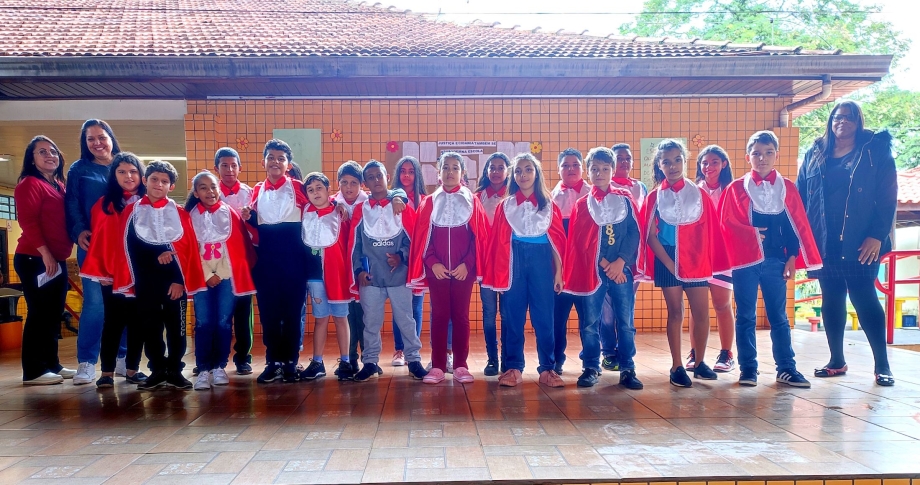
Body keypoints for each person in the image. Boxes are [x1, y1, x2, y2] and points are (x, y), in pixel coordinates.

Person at [797, 100, 898, 387]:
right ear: (831, 121)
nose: (842, 122)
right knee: (831, 299)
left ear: (859, 122)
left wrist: (877, 235)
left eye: (849, 118)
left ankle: (882, 365)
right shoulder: (815, 153)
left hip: (862, 241)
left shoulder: (874, 152)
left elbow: (888, 197)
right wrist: (802, 241)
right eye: (838, 117)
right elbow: (801, 198)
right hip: (825, 242)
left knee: (864, 298)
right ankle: (836, 360)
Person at [722, 131, 822, 388]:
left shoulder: (787, 188)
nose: (762, 158)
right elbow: (727, 224)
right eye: (756, 153)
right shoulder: (736, 188)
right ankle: (748, 369)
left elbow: (795, 225)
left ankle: (786, 368)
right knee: (745, 316)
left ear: (776, 155)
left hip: (776, 261)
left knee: (779, 316)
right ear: (748, 157)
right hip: (745, 262)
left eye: (768, 153)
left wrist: (792, 257)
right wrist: (750, 233)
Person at [94, 159, 206, 390]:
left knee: (177, 329)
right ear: (145, 181)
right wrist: (153, 258)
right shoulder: (131, 212)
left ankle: (175, 369)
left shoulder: (181, 214)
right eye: (154, 179)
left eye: (165, 181)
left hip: (174, 283)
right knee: (151, 328)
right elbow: (126, 247)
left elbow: (188, 250)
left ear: (171, 187)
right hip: (145, 283)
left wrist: (178, 279)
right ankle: (157, 370)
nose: (158, 184)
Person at [639, 139, 726, 387]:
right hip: (667, 258)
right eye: (666, 161)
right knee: (675, 312)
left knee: (702, 312)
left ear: (685, 162)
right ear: (659, 165)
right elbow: (650, 235)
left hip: (695, 258)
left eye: (678, 159)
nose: (673, 165)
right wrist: (668, 263)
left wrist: (698, 258)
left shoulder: (698, 193)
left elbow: (709, 232)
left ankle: (699, 363)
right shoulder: (655, 196)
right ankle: (677, 365)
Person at [484, 153, 566, 388]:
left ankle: (548, 368)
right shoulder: (505, 206)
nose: (523, 175)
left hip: (542, 264)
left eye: (528, 169)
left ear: (536, 173)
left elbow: (557, 241)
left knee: (544, 318)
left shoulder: (549, 204)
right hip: (514, 264)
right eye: (518, 171)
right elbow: (498, 245)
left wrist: (558, 272)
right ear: (514, 176)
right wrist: (500, 276)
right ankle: (513, 367)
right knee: (512, 317)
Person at [563, 147, 643, 389]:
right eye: (595, 169)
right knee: (590, 321)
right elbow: (579, 240)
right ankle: (590, 366)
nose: (600, 173)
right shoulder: (581, 205)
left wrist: (620, 262)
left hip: (622, 271)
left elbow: (633, 233)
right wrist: (605, 264)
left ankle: (628, 368)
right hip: (594, 271)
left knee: (625, 321)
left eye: (605, 169)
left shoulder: (625, 199)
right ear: (588, 173)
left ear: (612, 170)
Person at [409, 152, 489, 384]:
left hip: (464, 270)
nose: (450, 172)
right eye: (446, 168)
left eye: (455, 168)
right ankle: (437, 366)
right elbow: (424, 238)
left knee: (461, 316)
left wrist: (468, 264)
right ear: (439, 172)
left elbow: (479, 237)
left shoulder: (472, 200)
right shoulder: (429, 202)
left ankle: (462, 365)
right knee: (440, 315)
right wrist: (433, 263)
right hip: (438, 271)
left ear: (462, 173)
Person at [348, 161, 428, 382]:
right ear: (366, 182)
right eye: (370, 177)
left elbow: (411, 239)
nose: (375, 181)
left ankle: (413, 360)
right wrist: (358, 271)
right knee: (371, 322)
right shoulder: (360, 210)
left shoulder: (400, 205)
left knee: (406, 320)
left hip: (398, 277)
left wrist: (400, 256)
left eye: (379, 176)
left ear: (386, 177)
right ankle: (370, 362)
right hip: (371, 278)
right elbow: (355, 245)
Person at [241, 139, 310, 384]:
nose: (276, 162)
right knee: (269, 313)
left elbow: (319, 204)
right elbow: (256, 225)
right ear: (264, 162)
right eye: (271, 157)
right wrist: (248, 218)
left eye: (281, 158)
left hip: (294, 260)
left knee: (292, 312)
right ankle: (273, 362)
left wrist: (336, 208)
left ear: (288, 164)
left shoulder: (300, 187)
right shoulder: (257, 190)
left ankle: (290, 362)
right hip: (267, 261)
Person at [66, 119, 127, 385]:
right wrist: (79, 231)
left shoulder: (124, 165)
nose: (97, 143)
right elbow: (72, 203)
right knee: (95, 305)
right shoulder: (79, 169)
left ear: (111, 137)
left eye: (101, 137)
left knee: (125, 303)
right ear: (85, 143)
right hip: (93, 247)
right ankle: (87, 362)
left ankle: (124, 359)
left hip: (124, 248)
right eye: (91, 139)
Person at [80, 153, 149, 388]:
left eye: (133, 171)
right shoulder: (104, 204)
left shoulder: (148, 202)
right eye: (121, 172)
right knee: (113, 322)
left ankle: (132, 369)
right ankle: (107, 372)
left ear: (141, 175)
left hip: (141, 275)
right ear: (114, 175)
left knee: (138, 323)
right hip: (113, 275)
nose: (128, 176)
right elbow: (101, 241)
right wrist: (103, 273)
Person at [185, 171, 257, 390]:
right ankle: (203, 368)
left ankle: (219, 366)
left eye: (213, 187)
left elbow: (236, 250)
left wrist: (221, 274)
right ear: (196, 193)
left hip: (227, 277)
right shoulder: (189, 217)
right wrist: (208, 275)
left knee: (224, 321)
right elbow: (190, 251)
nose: (210, 191)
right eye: (204, 188)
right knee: (204, 322)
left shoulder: (231, 214)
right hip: (202, 277)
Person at [14, 136, 75, 385]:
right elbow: (28, 221)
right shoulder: (29, 184)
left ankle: (52, 363)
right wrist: (46, 253)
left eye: (53, 151)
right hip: (35, 258)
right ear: (32, 158)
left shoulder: (58, 185)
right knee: (39, 313)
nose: (50, 155)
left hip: (56, 259)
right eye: (42, 152)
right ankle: (33, 370)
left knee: (53, 314)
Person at [299, 172, 355, 382]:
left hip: (337, 274)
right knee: (320, 319)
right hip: (314, 276)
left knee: (341, 318)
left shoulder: (341, 211)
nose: (315, 193)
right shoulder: (305, 211)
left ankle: (346, 361)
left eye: (319, 188)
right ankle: (317, 362)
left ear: (329, 190)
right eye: (310, 190)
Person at [691, 145, 736, 373]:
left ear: (724, 164)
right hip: (698, 256)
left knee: (721, 304)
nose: (709, 167)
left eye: (714, 162)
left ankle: (726, 353)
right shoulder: (693, 190)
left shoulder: (732, 190)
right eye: (705, 163)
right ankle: (695, 353)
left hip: (723, 255)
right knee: (696, 308)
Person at [603, 143, 648, 371]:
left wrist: (625, 259)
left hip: (631, 260)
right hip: (606, 262)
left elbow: (642, 225)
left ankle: (626, 356)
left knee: (626, 308)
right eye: (619, 158)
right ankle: (608, 351)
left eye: (628, 158)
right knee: (607, 311)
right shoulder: (603, 188)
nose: (625, 162)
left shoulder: (640, 188)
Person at [215, 147, 256, 375]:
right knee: (216, 312)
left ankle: (243, 357)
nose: (229, 170)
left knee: (242, 310)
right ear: (216, 168)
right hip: (214, 260)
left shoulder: (250, 194)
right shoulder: (209, 192)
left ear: (240, 168)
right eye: (224, 165)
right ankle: (213, 358)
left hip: (242, 261)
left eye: (233, 165)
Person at [550, 148, 590, 374]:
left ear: (582, 168)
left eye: (575, 164)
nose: (571, 169)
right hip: (559, 270)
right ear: (558, 170)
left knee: (588, 320)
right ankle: (557, 360)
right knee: (558, 319)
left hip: (585, 270)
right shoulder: (550, 199)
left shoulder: (593, 195)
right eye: (565, 165)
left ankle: (589, 361)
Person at [389, 156, 429, 368]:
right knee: (399, 306)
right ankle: (399, 349)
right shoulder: (391, 198)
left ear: (417, 175)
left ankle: (413, 349)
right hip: (398, 259)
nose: (406, 175)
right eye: (403, 171)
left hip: (418, 259)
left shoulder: (425, 200)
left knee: (416, 306)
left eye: (411, 171)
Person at [474, 152, 511, 375]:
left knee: (507, 314)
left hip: (508, 265)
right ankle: (491, 359)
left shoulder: (515, 196)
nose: (496, 172)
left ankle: (507, 359)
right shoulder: (477, 197)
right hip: (485, 265)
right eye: (492, 167)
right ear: (486, 171)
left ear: (507, 171)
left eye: (500, 167)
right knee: (489, 314)